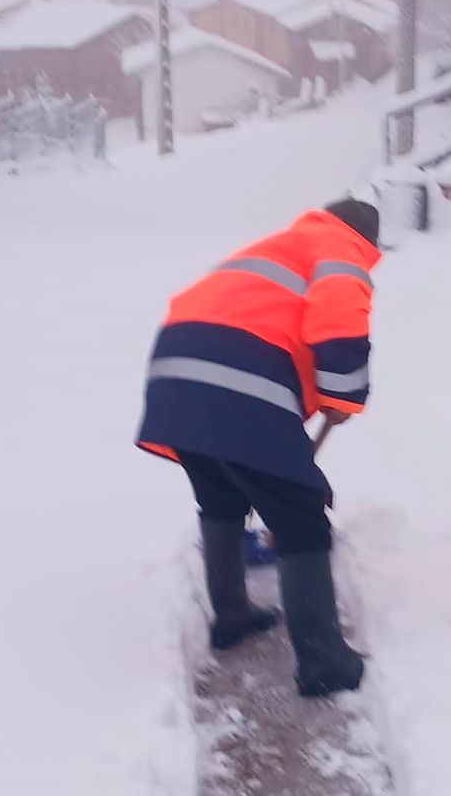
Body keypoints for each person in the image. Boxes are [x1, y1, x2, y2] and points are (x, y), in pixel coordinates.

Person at [136, 198, 380, 698]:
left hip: (176, 373)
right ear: (365, 237)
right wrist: (344, 397)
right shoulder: (340, 252)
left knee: (222, 494)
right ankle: (323, 660)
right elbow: (339, 320)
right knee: (302, 518)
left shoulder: (281, 248)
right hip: (240, 380)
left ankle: (231, 614)